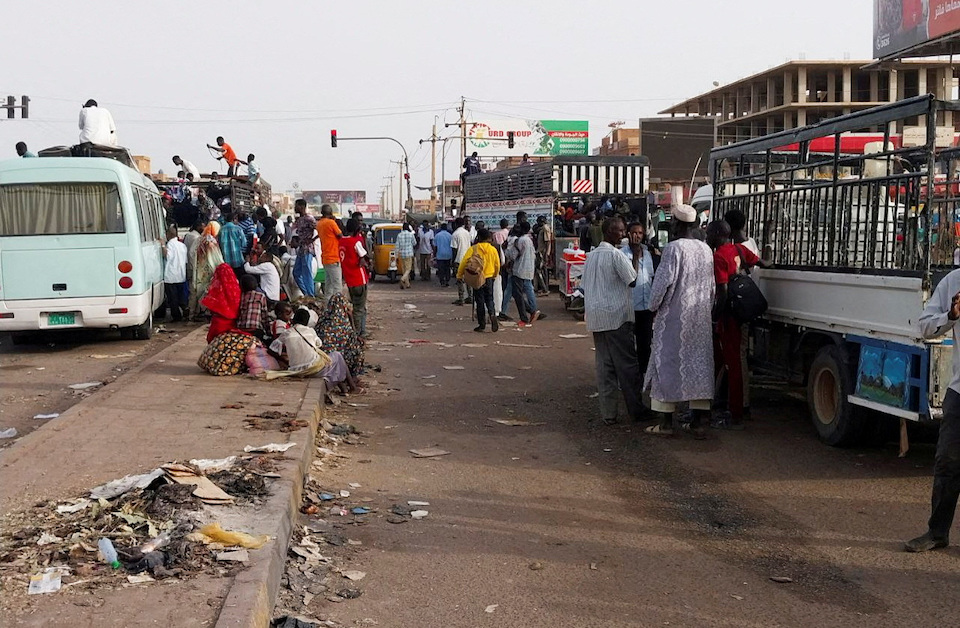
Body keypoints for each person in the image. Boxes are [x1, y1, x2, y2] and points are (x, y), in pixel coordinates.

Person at [644, 204, 716, 438]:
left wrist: (652, 306)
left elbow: (663, 282)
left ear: (676, 223)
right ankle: (699, 422)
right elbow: (712, 287)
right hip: (700, 316)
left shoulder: (673, 249)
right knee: (699, 365)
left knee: (666, 362)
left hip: (674, 317)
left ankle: (665, 423)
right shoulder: (706, 249)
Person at [906, 267, 960, 552]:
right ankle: (937, 532)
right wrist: (951, 316)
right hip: (959, 391)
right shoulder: (953, 281)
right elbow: (924, 326)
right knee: (948, 463)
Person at [707, 220, 769, 430]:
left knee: (732, 364)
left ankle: (735, 413)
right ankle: (738, 407)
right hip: (742, 313)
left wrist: (715, 316)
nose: (707, 237)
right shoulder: (739, 249)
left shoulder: (718, 256)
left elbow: (722, 291)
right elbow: (762, 263)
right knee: (737, 361)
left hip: (729, 316)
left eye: (709, 233)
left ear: (717, 234)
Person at [582, 217, 642, 424]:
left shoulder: (591, 256)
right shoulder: (616, 255)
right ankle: (636, 410)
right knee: (627, 366)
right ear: (609, 232)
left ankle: (609, 413)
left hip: (597, 317)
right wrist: (636, 255)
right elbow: (633, 280)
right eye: (620, 231)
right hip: (617, 317)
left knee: (605, 366)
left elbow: (584, 286)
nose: (624, 234)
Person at [267, 309, 361, 393]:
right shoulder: (310, 331)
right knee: (337, 356)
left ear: (293, 320)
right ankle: (352, 386)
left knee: (332, 362)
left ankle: (344, 388)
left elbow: (271, 349)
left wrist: (284, 359)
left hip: (295, 370)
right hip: (311, 369)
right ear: (307, 321)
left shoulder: (287, 333)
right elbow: (318, 345)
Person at [622, 221, 656, 383]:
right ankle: (629, 377)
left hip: (646, 306)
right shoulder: (622, 254)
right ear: (628, 234)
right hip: (630, 305)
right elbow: (631, 279)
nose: (637, 236)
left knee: (645, 343)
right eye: (634, 233)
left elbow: (651, 277)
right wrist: (635, 255)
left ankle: (644, 375)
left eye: (640, 233)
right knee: (628, 345)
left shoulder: (648, 254)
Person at [457, 228, 501, 333]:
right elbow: (497, 265)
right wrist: (494, 275)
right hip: (489, 277)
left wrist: (459, 275)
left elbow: (464, 262)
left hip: (477, 278)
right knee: (489, 299)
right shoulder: (493, 249)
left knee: (479, 300)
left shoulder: (474, 249)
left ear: (479, 237)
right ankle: (492, 314)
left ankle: (481, 325)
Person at [505, 221, 543, 327]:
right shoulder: (529, 239)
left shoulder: (519, 241)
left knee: (517, 295)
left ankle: (525, 317)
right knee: (519, 293)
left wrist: (506, 249)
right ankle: (531, 311)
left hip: (519, 269)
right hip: (529, 269)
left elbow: (512, 255)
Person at [339, 218, 370, 337]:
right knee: (359, 308)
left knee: (358, 307)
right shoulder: (355, 242)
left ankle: (361, 330)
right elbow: (363, 256)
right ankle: (357, 333)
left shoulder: (341, 241)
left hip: (349, 279)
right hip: (359, 278)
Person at [191, 222, 224, 320]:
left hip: (199, 269)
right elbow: (215, 257)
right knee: (209, 290)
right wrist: (222, 266)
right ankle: (206, 311)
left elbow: (192, 253)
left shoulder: (199, 239)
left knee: (199, 289)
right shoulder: (211, 241)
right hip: (210, 269)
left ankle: (196, 312)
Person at [201, 264, 242, 342]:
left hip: (219, 324)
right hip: (234, 325)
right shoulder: (236, 287)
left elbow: (209, 306)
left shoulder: (216, 289)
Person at [161, 226, 188, 322]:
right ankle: (185, 310)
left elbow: (167, 256)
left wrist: (162, 245)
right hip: (181, 275)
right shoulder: (182, 245)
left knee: (173, 298)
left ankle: (176, 317)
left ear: (169, 235)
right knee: (181, 296)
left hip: (171, 276)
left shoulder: (170, 245)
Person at [316, 204, 343, 299]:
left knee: (329, 287)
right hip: (333, 257)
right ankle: (338, 308)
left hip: (325, 258)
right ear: (331, 213)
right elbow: (340, 235)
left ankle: (328, 307)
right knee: (337, 286)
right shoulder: (331, 223)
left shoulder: (319, 224)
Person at [292, 199, 318, 297]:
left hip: (308, 249)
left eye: (296, 206)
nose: (295, 208)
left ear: (302, 206)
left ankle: (311, 296)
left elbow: (318, 229)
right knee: (296, 273)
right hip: (301, 249)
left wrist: (312, 239)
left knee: (307, 273)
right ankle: (306, 293)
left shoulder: (309, 218)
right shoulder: (299, 219)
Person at [451, 218, 474, 305]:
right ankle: (470, 296)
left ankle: (461, 298)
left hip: (459, 259)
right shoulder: (467, 233)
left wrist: (453, 261)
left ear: (456, 224)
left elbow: (454, 249)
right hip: (468, 259)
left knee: (460, 279)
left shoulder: (455, 234)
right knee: (468, 279)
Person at [218, 212, 247, 280]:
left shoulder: (221, 230)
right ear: (234, 219)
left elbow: (219, 244)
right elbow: (244, 243)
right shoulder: (238, 229)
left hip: (226, 261)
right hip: (238, 260)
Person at [535, 214, 554, 296]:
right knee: (542, 271)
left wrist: (546, 254)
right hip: (541, 252)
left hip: (542, 253)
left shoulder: (545, 228)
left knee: (539, 270)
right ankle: (544, 288)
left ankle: (545, 289)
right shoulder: (544, 228)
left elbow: (547, 242)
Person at [395, 223, 416, 289]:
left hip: (402, 253)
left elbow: (397, 246)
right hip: (409, 253)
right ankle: (403, 279)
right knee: (408, 269)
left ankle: (407, 284)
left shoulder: (399, 235)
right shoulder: (411, 235)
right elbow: (414, 243)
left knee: (404, 269)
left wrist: (396, 256)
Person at [433, 222, 453, 287]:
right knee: (447, 269)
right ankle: (447, 280)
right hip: (448, 255)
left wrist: (434, 255)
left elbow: (435, 246)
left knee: (441, 269)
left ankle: (442, 281)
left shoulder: (437, 235)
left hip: (440, 255)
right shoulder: (450, 235)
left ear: (440, 228)